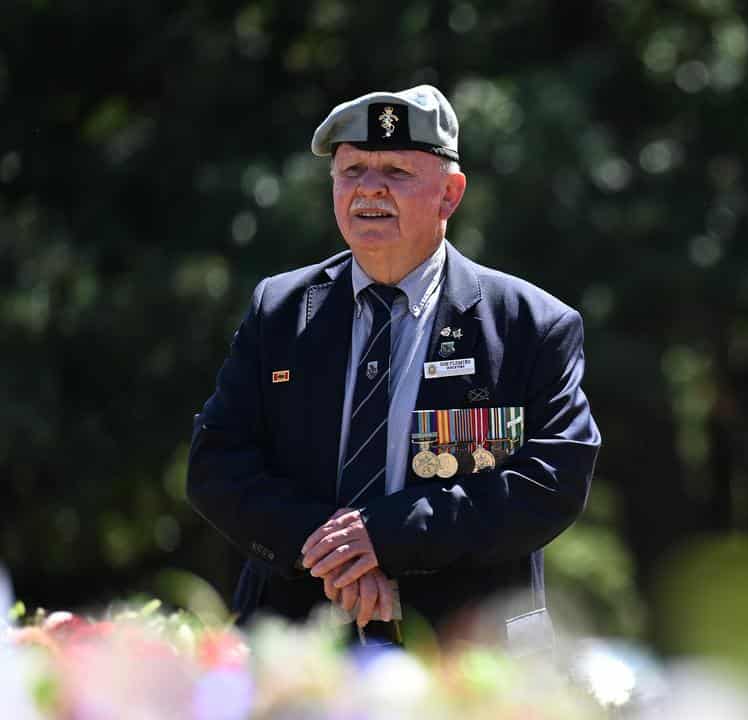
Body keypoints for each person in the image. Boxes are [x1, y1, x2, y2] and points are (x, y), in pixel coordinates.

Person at [187, 84, 601, 648]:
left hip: (470, 653)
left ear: (449, 195)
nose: (370, 188)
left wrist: (386, 536)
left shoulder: (530, 325)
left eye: (397, 171)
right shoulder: (279, 311)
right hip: (297, 647)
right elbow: (216, 465)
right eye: (352, 169)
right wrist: (333, 552)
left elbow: (553, 479)